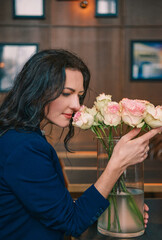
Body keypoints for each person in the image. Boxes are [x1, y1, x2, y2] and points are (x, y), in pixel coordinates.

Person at [0, 49, 161, 240]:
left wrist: (110, 209)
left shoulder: (20, 135)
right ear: (37, 90)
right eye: (67, 93)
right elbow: (71, 223)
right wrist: (117, 164)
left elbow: (53, 209)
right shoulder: (24, 147)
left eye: (80, 95)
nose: (77, 104)